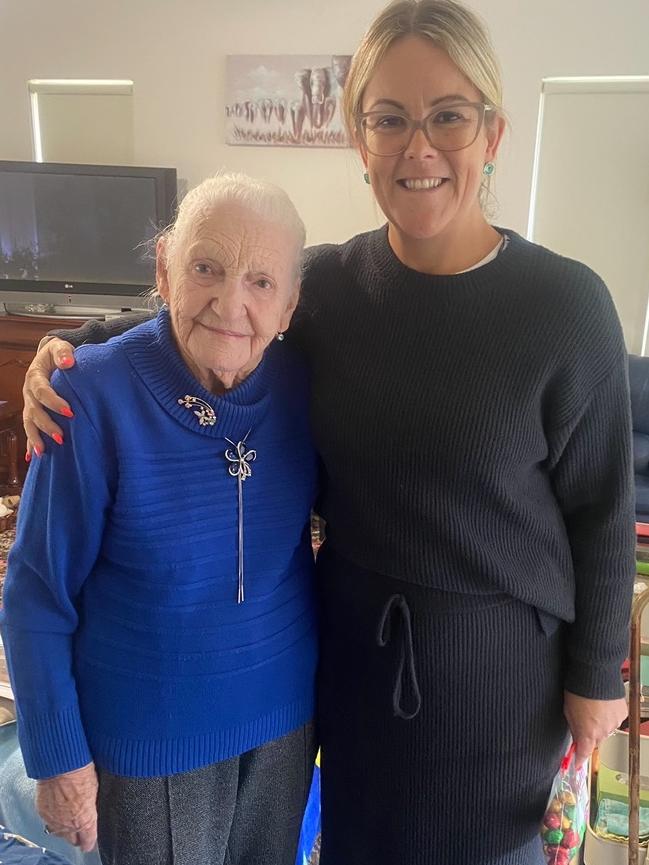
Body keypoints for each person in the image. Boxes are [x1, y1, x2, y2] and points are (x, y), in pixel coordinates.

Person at [21, 1, 635, 863]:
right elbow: (213, 303)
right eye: (389, 119)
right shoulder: (328, 289)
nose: (417, 146)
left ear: (491, 135)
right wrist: (69, 349)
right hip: (350, 666)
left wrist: (595, 674)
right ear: (360, 139)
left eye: (447, 116)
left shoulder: (566, 306)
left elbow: (602, 509)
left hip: (500, 689)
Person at [3, 173, 319, 865]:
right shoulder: (88, 396)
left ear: (291, 303)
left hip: (283, 722)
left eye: (261, 282)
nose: (230, 301)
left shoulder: (305, 385)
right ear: (165, 269)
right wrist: (58, 758)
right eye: (205, 267)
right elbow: (34, 592)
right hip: (149, 740)